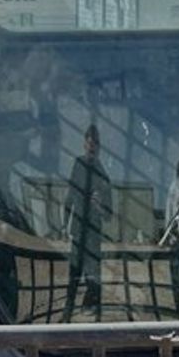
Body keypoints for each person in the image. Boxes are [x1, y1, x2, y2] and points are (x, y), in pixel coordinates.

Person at [63, 123, 113, 317]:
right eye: (89, 144)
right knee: (74, 271)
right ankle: (68, 309)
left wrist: (99, 206)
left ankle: (91, 304)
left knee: (93, 273)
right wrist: (64, 224)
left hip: (93, 233)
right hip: (77, 229)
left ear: (99, 148)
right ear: (84, 144)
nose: (91, 148)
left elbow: (109, 215)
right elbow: (70, 196)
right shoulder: (78, 165)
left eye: (95, 145)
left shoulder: (103, 177)